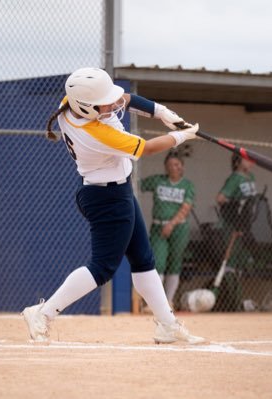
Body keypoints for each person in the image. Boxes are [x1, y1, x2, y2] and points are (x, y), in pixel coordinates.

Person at [22, 67, 204, 344]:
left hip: (116, 191)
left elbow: (125, 99)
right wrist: (183, 136)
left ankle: (167, 324)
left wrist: (162, 112)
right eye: (105, 102)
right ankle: (43, 314)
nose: (113, 104)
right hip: (107, 199)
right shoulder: (96, 134)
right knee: (103, 267)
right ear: (88, 107)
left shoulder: (70, 103)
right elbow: (145, 148)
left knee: (143, 259)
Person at [141, 152, 195, 308]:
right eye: (171, 165)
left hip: (179, 228)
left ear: (182, 166)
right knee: (158, 262)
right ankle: (155, 303)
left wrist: (171, 224)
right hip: (159, 227)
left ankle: (168, 301)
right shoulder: (159, 181)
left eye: (178, 164)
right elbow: (138, 184)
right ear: (166, 167)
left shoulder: (187, 185)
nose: (175, 167)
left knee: (174, 264)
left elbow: (186, 208)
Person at [215, 153, 257, 311]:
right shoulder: (234, 178)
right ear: (238, 162)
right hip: (231, 225)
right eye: (246, 159)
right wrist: (236, 205)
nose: (250, 162)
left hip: (244, 226)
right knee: (231, 263)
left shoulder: (251, 177)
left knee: (244, 261)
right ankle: (233, 301)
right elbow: (220, 198)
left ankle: (238, 300)